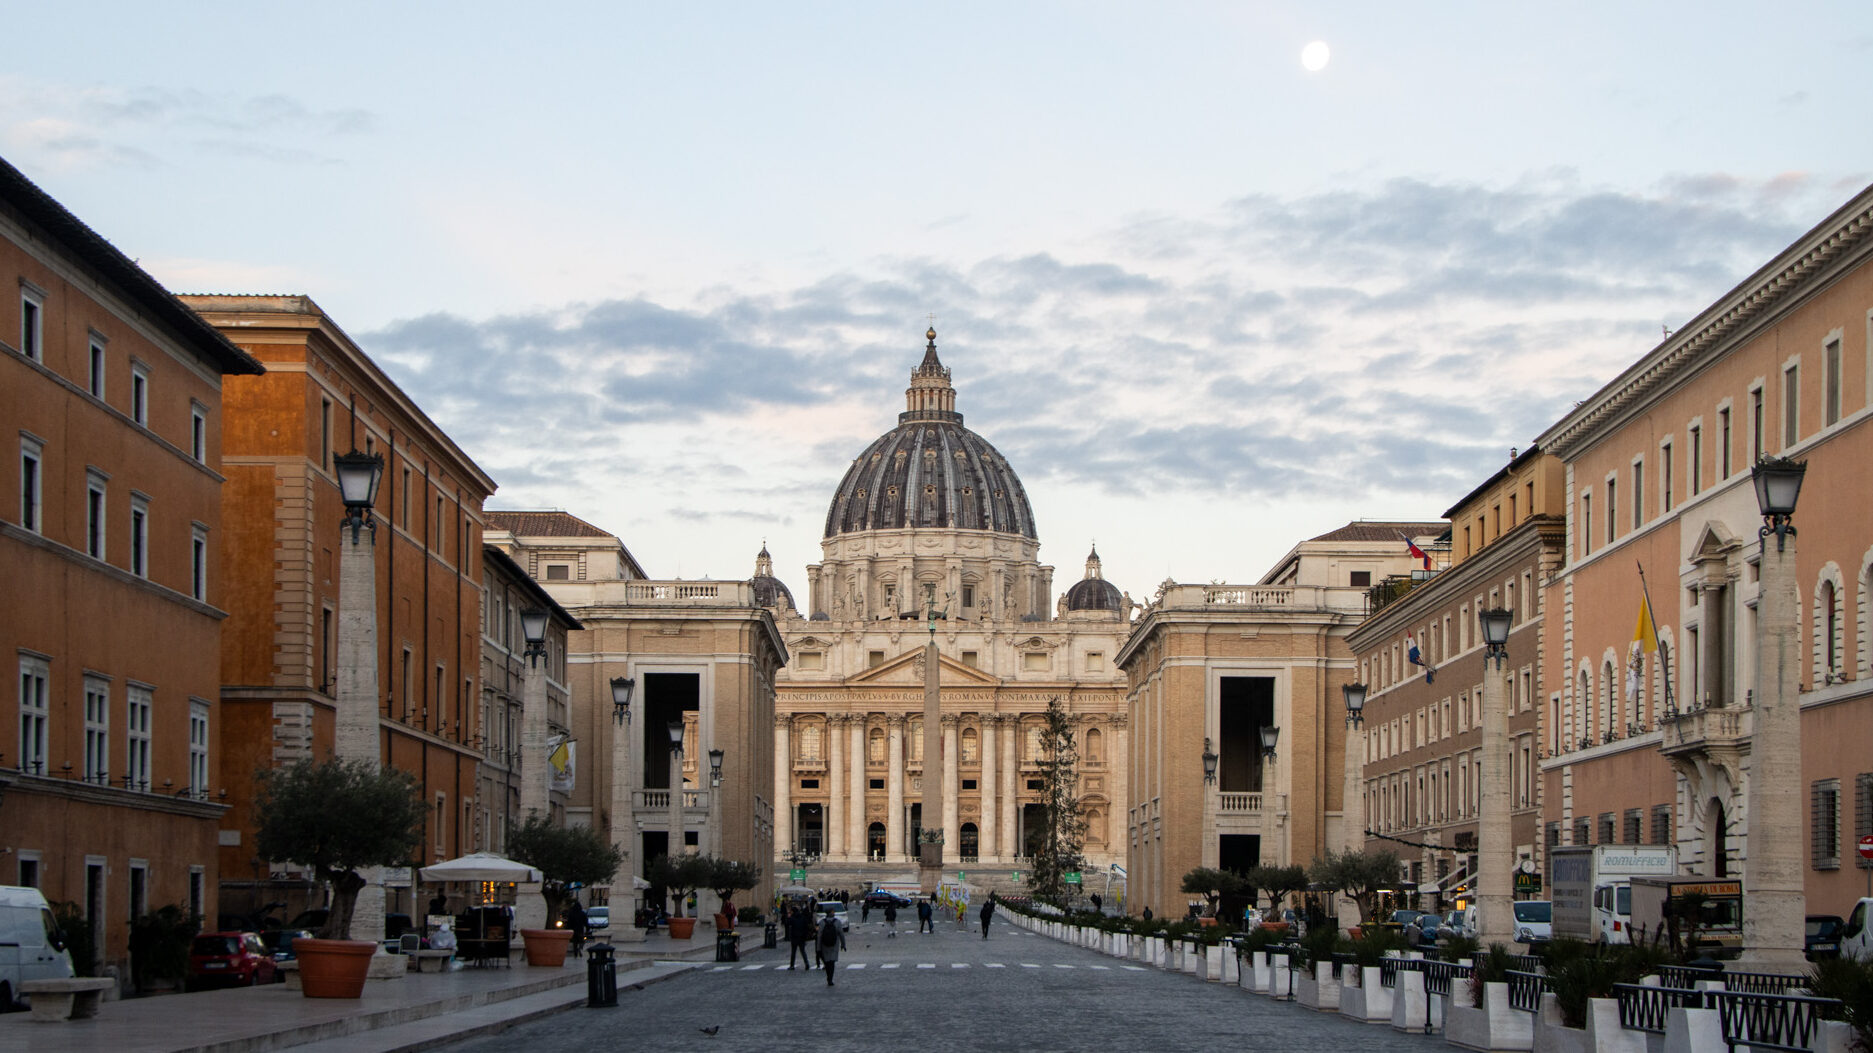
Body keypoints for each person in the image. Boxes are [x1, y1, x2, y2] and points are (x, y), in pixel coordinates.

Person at [817, 913, 845, 986]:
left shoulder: (822, 922)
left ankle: (828, 976)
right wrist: (843, 944)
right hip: (834, 945)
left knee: (826, 962)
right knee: (832, 963)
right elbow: (841, 934)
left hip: (824, 945)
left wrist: (818, 947)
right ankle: (830, 979)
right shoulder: (837, 922)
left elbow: (819, 935)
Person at [786, 905, 814, 970]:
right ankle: (807, 963)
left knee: (793, 952)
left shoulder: (792, 918)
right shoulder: (802, 917)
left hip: (794, 937)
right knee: (803, 951)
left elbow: (787, 923)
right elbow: (806, 927)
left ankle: (792, 965)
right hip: (802, 937)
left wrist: (788, 917)